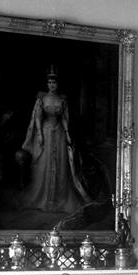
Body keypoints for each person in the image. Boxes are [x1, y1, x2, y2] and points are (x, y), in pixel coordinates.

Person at [19, 68, 91, 214]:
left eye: (54, 82)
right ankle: (42, 198)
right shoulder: (42, 98)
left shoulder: (62, 99)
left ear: (57, 84)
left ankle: (59, 199)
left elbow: (64, 118)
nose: (52, 85)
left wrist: (67, 133)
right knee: (44, 163)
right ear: (47, 84)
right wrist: (39, 134)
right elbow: (38, 117)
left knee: (60, 163)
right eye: (50, 82)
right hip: (45, 131)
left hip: (59, 133)